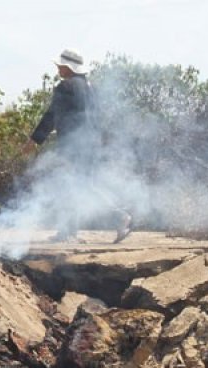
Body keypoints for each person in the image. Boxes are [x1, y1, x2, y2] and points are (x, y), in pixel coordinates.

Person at [23, 49, 132, 243]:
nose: (58, 68)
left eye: (60, 66)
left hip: (74, 146)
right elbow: (92, 118)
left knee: (74, 185)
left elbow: (51, 115)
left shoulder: (65, 87)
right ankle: (68, 232)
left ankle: (119, 217)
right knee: (75, 186)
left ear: (68, 68)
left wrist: (34, 140)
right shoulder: (91, 88)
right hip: (90, 144)